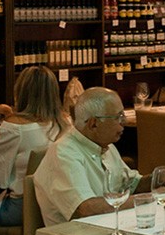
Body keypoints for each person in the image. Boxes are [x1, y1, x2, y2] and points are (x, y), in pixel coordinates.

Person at [0, 66, 68, 227]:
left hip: (23, 207)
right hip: (56, 204)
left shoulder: (15, 128)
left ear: (21, 92)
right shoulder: (65, 123)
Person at [32, 87, 141, 227]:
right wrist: (146, 200)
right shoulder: (64, 153)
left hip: (109, 227)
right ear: (93, 124)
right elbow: (85, 209)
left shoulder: (106, 146)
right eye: (118, 117)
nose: (124, 121)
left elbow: (130, 184)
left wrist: (157, 180)